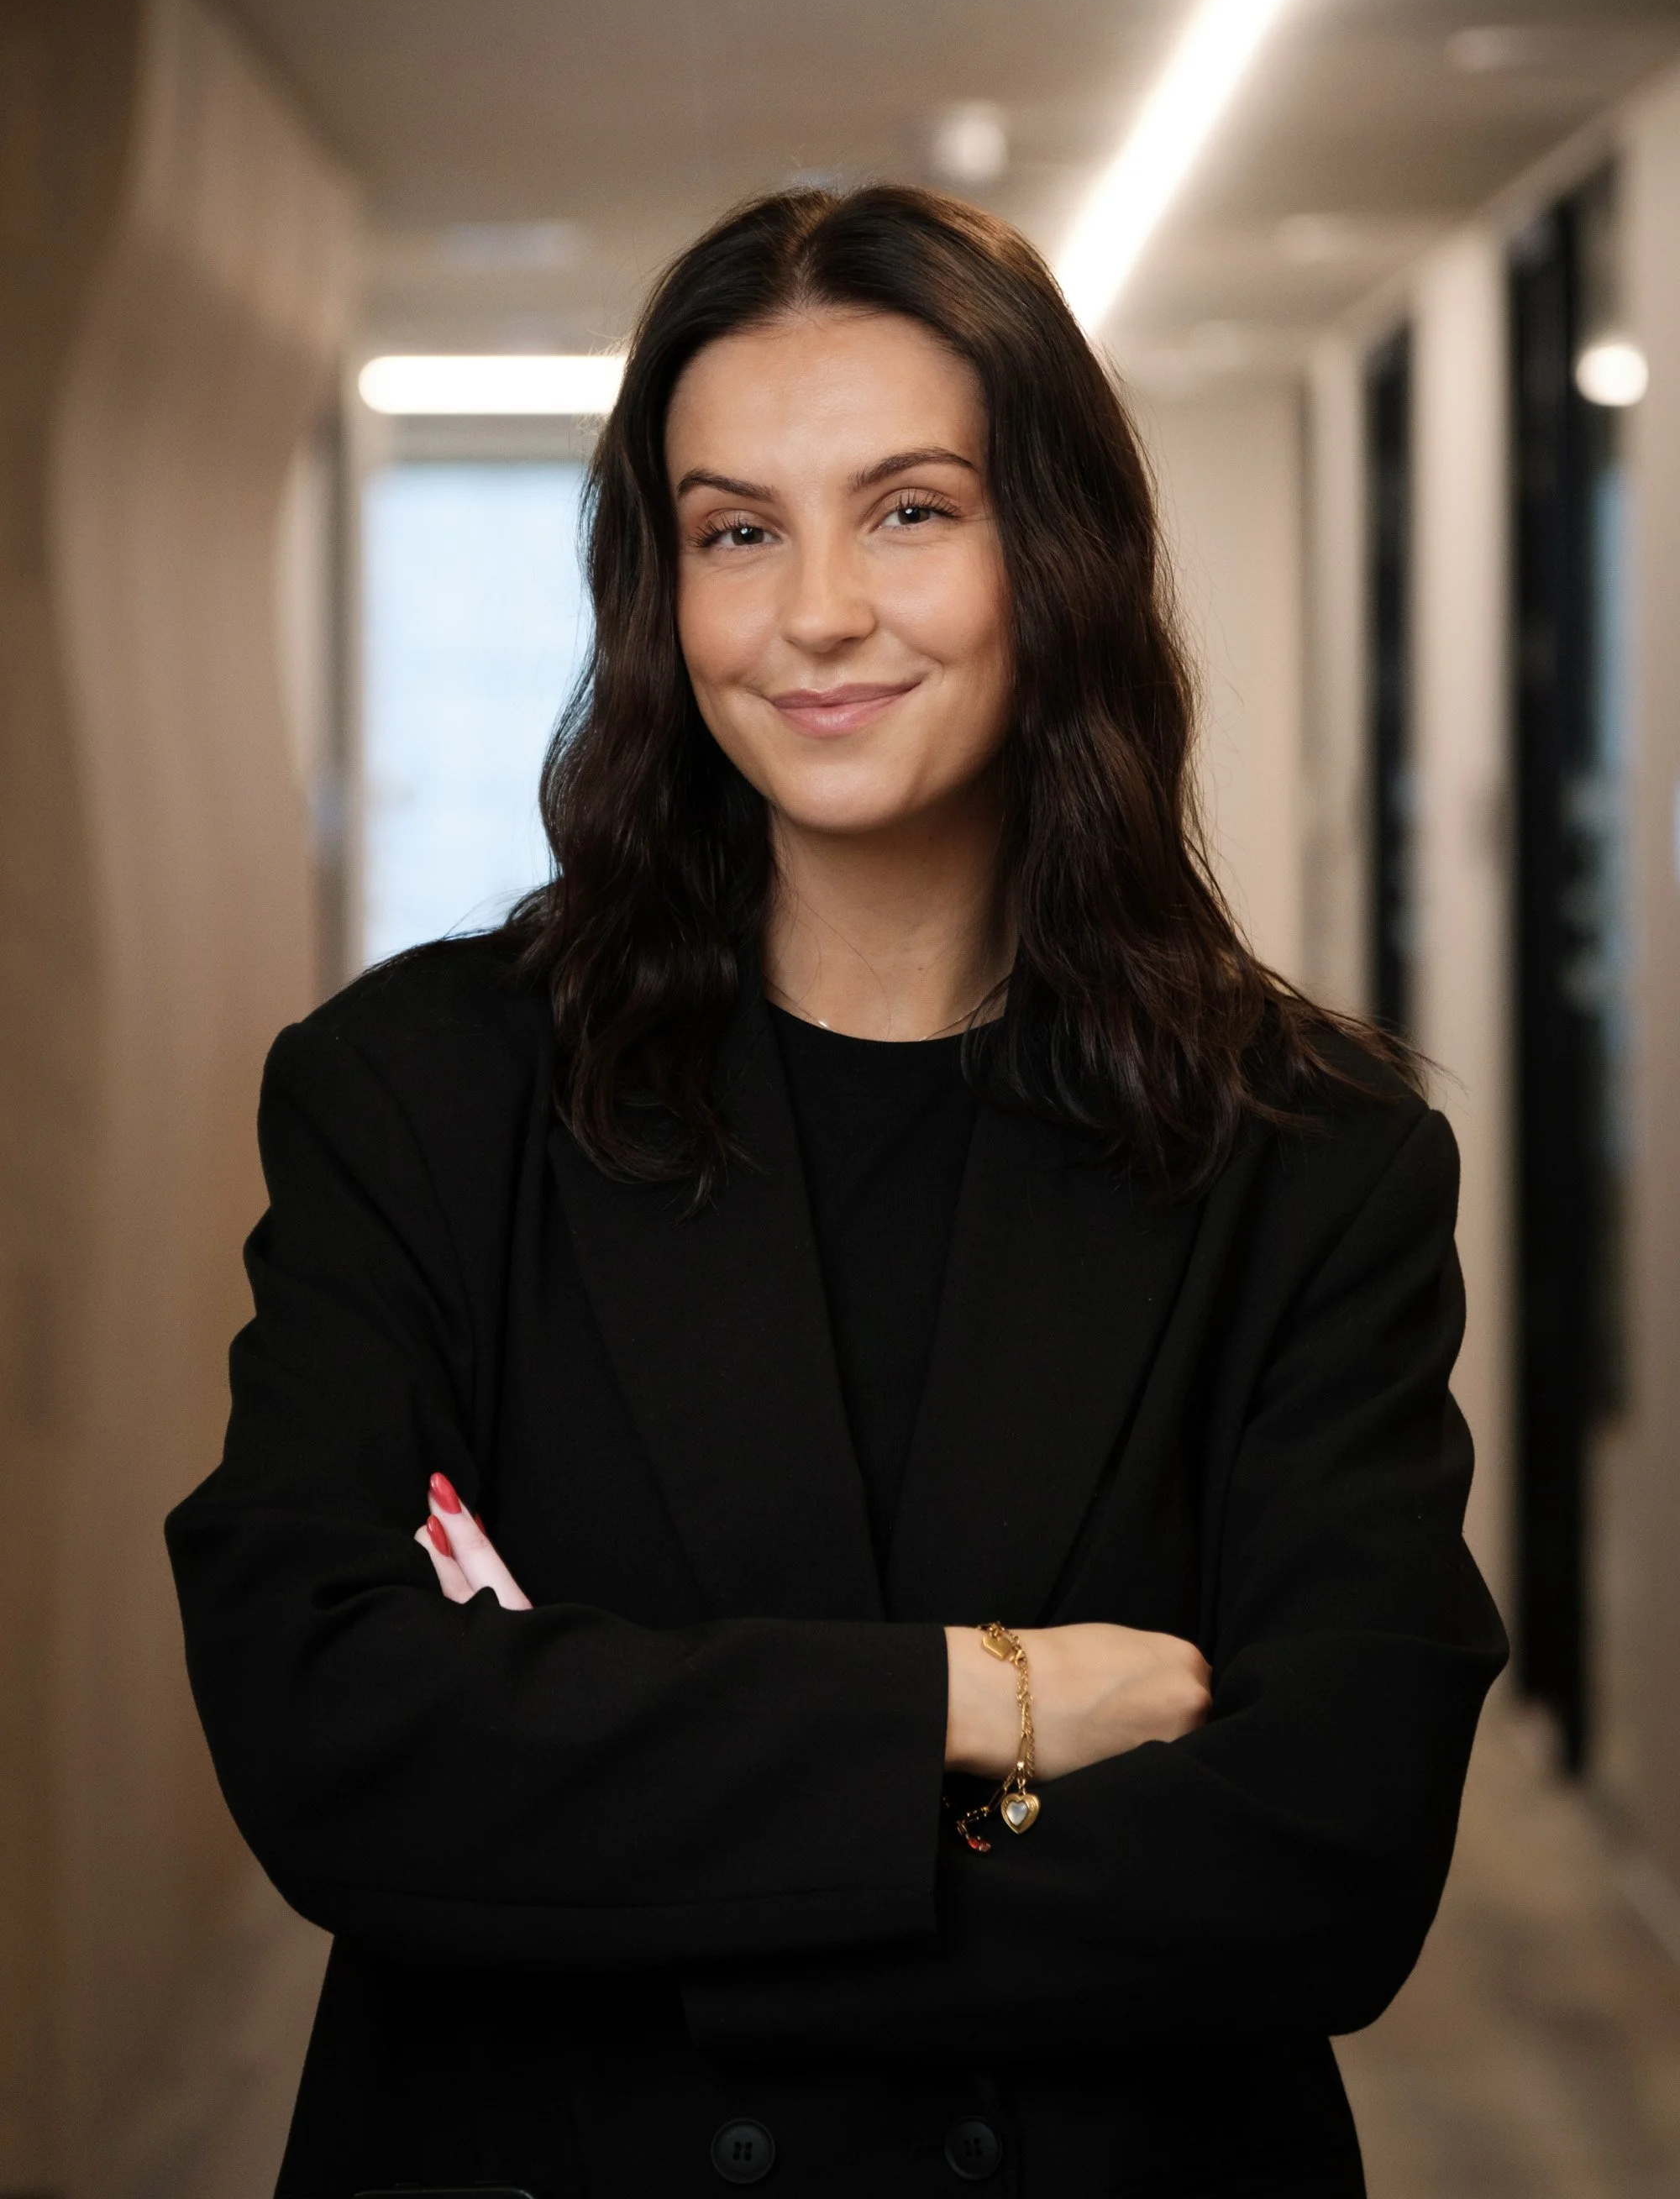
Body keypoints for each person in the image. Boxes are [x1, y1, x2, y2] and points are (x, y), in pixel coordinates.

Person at [167, 183, 1506, 2199]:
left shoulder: (1309, 1154)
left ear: (1053, 557)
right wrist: (995, 1699)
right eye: (735, 531)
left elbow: (1326, 1857)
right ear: (662, 588)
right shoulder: (422, 1094)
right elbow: (328, 1725)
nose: (812, 614)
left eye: (907, 510)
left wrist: (625, 1856)